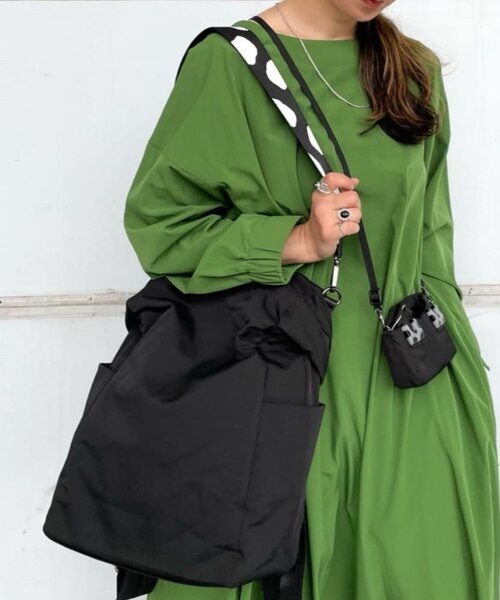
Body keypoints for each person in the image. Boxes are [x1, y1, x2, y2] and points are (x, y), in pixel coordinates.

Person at [123, 0, 500, 598]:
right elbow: (161, 227)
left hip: (413, 391)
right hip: (279, 389)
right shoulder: (229, 64)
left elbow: (433, 238)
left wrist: (459, 384)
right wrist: (296, 239)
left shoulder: (412, 70)